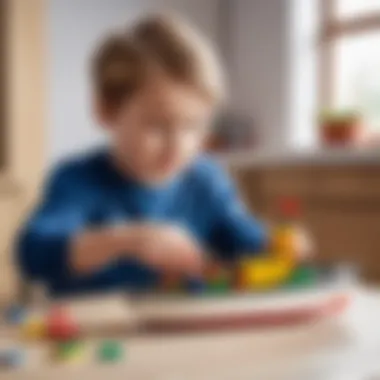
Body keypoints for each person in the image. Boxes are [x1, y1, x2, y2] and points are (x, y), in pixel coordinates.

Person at [16, 14, 301, 296]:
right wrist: (129, 241)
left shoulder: (206, 180)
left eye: (193, 126)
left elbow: (245, 241)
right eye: (157, 126)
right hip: (94, 334)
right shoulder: (78, 181)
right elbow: (33, 252)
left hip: (181, 334)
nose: (178, 145)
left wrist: (278, 244)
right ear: (106, 110)